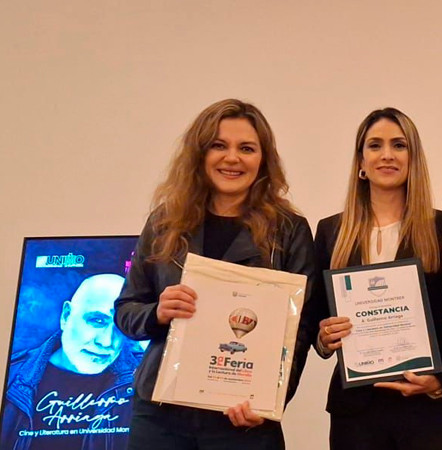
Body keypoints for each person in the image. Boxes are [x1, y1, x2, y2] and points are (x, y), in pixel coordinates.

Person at [114, 99, 316, 450]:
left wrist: (270, 403)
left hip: (242, 419)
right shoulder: (164, 222)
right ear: (199, 154)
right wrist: (156, 313)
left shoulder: (289, 230)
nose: (232, 158)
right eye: (218, 146)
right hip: (161, 414)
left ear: (263, 160)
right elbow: (126, 309)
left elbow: (299, 330)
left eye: (247, 148)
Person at [310, 107, 442, 450]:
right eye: (375, 145)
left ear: (412, 158)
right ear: (361, 162)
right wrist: (323, 336)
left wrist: (439, 380)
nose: (386, 154)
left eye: (399, 145)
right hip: (356, 413)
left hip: (432, 412)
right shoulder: (331, 232)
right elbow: (314, 317)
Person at [2, 273, 140, 450]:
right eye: (97, 320)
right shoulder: (12, 375)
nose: (107, 342)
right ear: (66, 316)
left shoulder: (144, 380)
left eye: (121, 325)